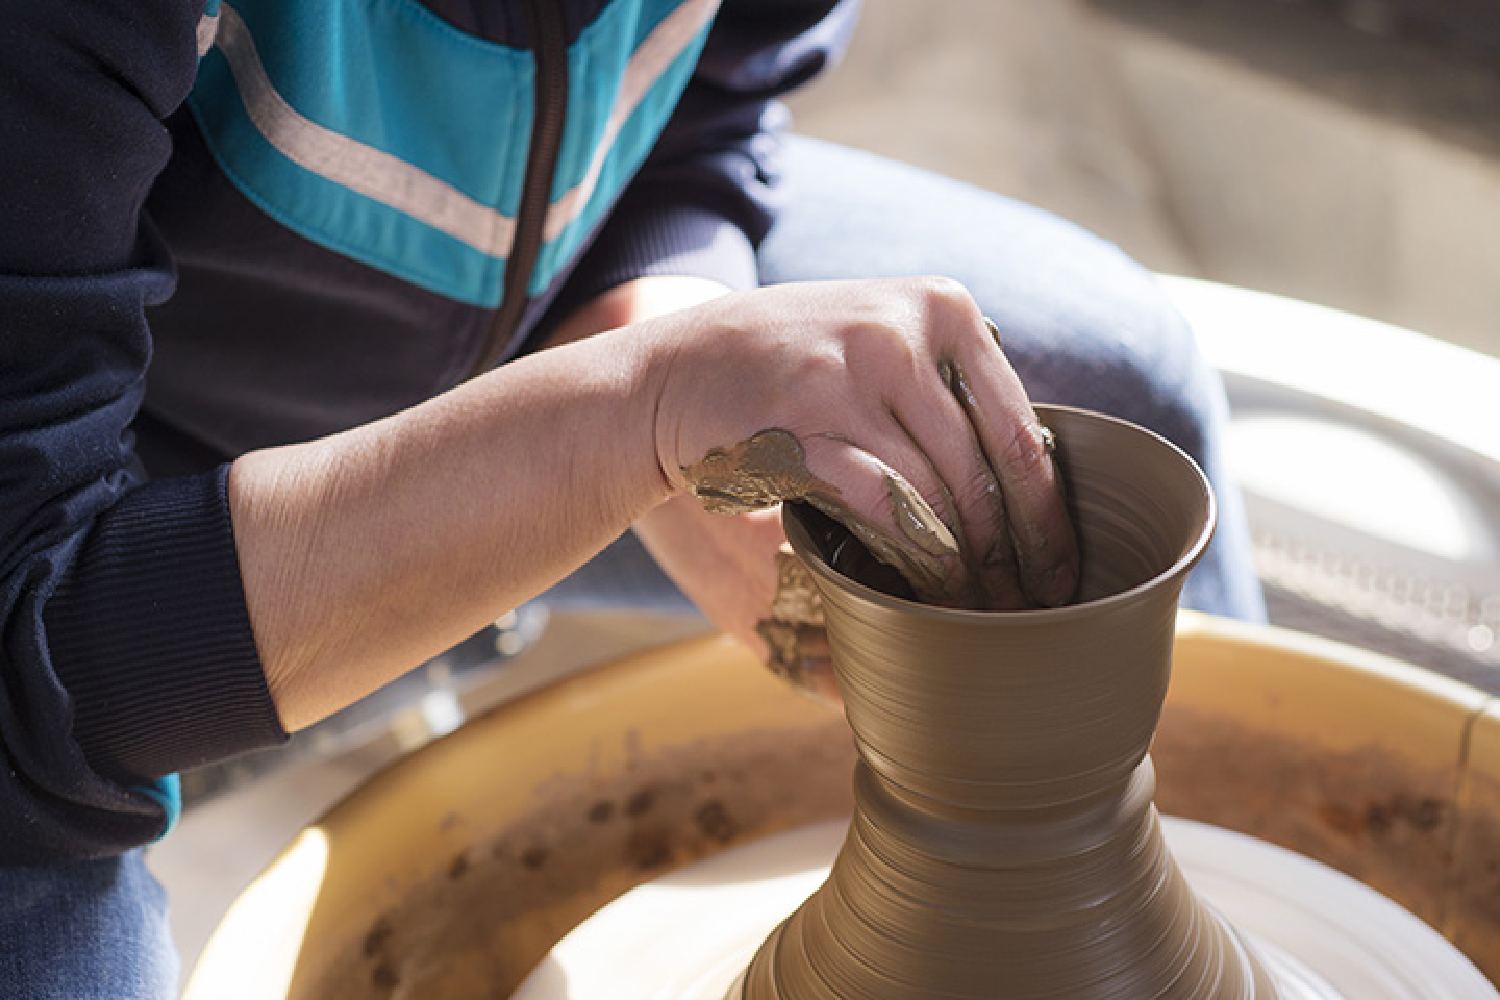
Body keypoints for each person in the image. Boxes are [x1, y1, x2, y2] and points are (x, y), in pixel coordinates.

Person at [0, 0, 1264, 995]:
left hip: (524, 304)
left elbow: (704, 106)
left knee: (1111, 397)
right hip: (110, 509)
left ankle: (1203, 873)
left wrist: (656, 323)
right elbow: (29, 649)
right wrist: (630, 420)